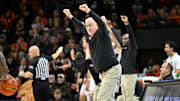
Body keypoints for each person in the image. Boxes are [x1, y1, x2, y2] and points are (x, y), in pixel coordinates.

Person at [63, 4, 122, 101]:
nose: (88, 28)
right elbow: (81, 26)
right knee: (101, 98)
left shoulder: (102, 33)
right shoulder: (90, 36)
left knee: (101, 99)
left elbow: (101, 22)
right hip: (102, 74)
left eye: (90, 25)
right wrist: (71, 17)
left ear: (96, 25)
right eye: (87, 26)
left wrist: (89, 11)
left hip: (111, 71)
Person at [116, 16, 139, 101]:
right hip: (123, 75)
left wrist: (127, 24)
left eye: (126, 38)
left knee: (129, 98)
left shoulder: (132, 47)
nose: (124, 40)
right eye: (123, 39)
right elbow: (116, 39)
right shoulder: (123, 50)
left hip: (130, 75)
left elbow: (131, 35)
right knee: (124, 98)